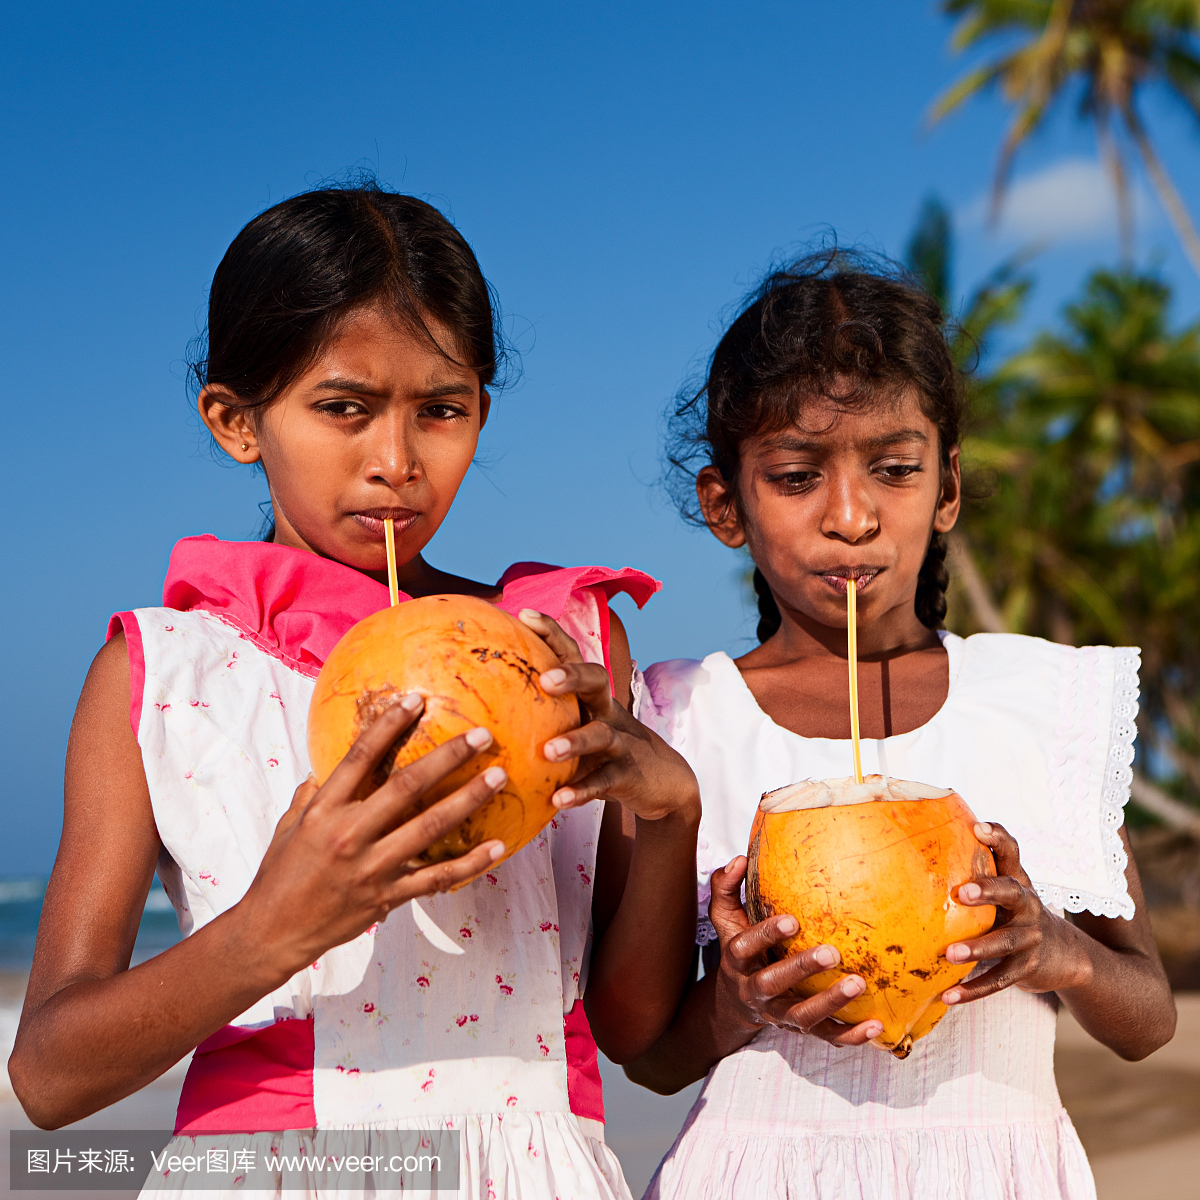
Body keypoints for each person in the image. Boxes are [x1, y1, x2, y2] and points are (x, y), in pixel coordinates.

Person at [10, 181, 701, 1200]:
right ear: (237, 422)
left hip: (536, 1166)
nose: (395, 462)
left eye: (441, 410)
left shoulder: (561, 645)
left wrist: (671, 809)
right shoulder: (168, 675)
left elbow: (630, 1026)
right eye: (343, 408)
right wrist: (268, 930)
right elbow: (50, 1079)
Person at [626, 253, 1176, 1199]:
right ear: (727, 505)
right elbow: (646, 1054)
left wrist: (1057, 948)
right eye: (798, 476)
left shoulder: (1036, 702)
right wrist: (740, 999)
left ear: (947, 487)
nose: (852, 517)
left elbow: (1149, 1017)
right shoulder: (682, 719)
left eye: (893, 470)